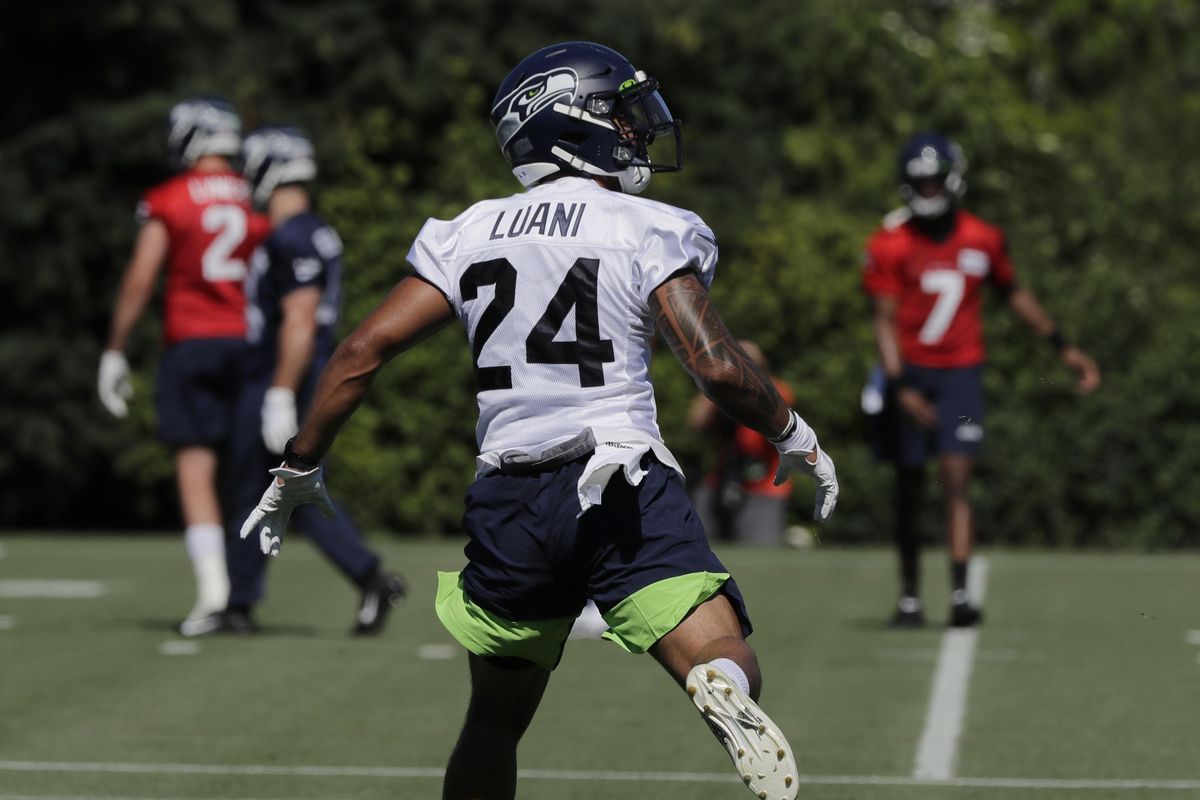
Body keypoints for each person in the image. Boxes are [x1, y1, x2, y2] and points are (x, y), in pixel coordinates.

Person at [240, 42, 838, 800]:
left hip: (511, 498)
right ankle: (719, 683)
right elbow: (714, 362)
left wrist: (298, 465)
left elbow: (362, 349)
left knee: (492, 723)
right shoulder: (646, 225)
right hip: (619, 483)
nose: (637, 131)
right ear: (572, 123)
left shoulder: (469, 232)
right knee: (720, 645)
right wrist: (793, 433)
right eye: (621, 115)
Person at [862, 132, 1101, 628]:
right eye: (919, 183)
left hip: (961, 377)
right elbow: (883, 320)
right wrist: (900, 384)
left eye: (934, 181)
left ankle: (959, 594)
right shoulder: (890, 242)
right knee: (909, 486)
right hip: (912, 373)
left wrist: (1063, 346)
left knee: (956, 480)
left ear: (952, 179)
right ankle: (909, 596)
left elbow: (1013, 292)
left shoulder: (982, 237)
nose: (928, 191)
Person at [214, 126, 408, 635]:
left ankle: (363, 576)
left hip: (284, 375)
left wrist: (278, 390)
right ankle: (240, 602)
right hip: (299, 374)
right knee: (274, 488)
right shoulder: (313, 230)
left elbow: (299, 320)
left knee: (273, 488)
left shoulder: (292, 235)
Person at [98, 97, 269, 636]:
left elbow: (139, 279)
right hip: (251, 343)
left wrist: (114, 349)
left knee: (195, 467)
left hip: (192, 340)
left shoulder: (169, 198)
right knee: (247, 473)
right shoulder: (258, 198)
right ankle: (241, 597)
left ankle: (215, 593)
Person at [688, 340, 795, 546]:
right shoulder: (719, 392)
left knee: (760, 554)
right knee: (699, 549)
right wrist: (716, 382)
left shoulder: (779, 390)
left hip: (763, 487)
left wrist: (749, 379)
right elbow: (695, 424)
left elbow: (774, 420)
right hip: (719, 481)